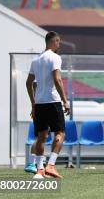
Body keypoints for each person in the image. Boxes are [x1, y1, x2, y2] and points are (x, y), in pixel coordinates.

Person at [25, 31, 70, 179]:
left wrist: (33, 103)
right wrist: (65, 100)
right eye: (58, 42)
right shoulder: (55, 57)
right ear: (53, 41)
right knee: (60, 133)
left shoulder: (36, 59)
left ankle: (39, 170)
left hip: (39, 104)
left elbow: (28, 82)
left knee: (41, 136)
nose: (59, 45)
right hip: (53, 101)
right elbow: (57, 79)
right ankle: (50, 165)